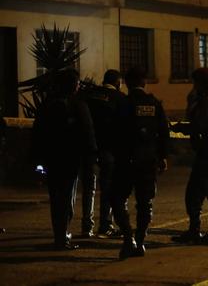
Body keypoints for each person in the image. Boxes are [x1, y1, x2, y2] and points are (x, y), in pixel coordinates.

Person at [32, 68, 97, 250]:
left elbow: (38, 133)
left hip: (52, 159)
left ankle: (58, 234)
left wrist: (37, 159)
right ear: (73, 86)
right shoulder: (77, 105)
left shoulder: (47, 104)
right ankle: (63, 235)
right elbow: (87, 131)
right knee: (67, 196)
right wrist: (90, 155)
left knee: (55, 197)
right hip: (70, 159)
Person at [111, 67, 169, 259]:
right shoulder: (154, 104)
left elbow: (114, 133)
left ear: (126, 84)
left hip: (126, 161)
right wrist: (162, 157)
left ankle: (128, 238)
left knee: (118, 199)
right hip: (148, 161)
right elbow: (164, 133)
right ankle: (141, 241)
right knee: (145, 203)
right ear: (144, 83)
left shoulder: (123, 104)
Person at [171, 68, 208, 244]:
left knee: (194, 193)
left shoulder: (207, 101)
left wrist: (181, 128)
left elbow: (200, 125)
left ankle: (194, 230)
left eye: (195, 82)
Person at [81, 70, 126, 238]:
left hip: (89, 148)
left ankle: (87, 226)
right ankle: (105, 225)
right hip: (109, 149)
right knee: (107, 188)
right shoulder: (120, 99)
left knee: (89, 188)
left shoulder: (90, 95)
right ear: (117, 82)